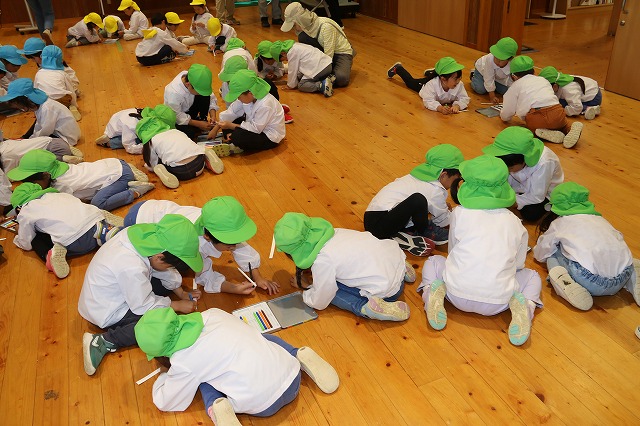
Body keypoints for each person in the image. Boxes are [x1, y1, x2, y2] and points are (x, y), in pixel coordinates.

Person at [134, 307, 339, 423]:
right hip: (292, 375)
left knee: (203, 379)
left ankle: (217, 407)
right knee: (256, 337)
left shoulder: (183, 363)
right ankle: (297, 353)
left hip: (263, 406)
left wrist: (165, 375)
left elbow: (165, 402)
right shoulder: (213, 313)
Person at [419, 155, 542, 346]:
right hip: (499, 303)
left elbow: (452, 252)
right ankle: (525, 307)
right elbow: (518, 265)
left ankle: (430, 295)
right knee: (533, 276)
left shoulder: (459, 213)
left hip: (455, 294)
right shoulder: (515, 222)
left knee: (433, 262)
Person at [79, 214, 203, 375]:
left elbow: (162, 270)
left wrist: (181, 292)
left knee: (163, 285)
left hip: (116, 290)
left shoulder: (145, 239)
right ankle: (104, 340)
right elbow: (143, 306)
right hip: (106, 310)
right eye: (169, 265)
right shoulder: (132, 267)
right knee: (156, 325)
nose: (170, 268)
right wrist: (177, 305)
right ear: (160, 257)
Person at [274, 212, 415, 321]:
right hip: (396, 261)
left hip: (389, 292)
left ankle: (365, 308)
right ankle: (404, 271)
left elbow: (320, 300)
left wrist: (308, 288)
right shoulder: (335, 232)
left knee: (332, 292)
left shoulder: (323, 260)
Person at [124, 196, 280, 294]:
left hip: (152, 206)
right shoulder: (193, 243)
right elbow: (204, 273)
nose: (234, 247)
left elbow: (242, 248)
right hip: (136, 223)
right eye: (229, 245)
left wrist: (258, 277)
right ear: (207, 236)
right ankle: (116, 232)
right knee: (164, 283)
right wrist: (232, 288)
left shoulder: (216, 222)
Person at [533, 182, 639, 311]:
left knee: (552, 252)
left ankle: (564, 282)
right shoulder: (600, 219)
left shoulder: (559, 223)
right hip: (622, 276)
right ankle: (632, 273)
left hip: (591, 282)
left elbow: (541, 253)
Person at [364, 144, 464, 256]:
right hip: (380, 226)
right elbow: (443, 221)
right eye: (455, 179)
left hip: (374, 219)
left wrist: (441, 208)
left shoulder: (417, 178)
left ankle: (404, 233)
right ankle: (424, 231)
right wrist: (450, 212)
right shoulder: (436, 190)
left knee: (418, 202)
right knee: (418, 199)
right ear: (444, 175)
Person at [10, 182, 123, 279]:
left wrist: (19, 234)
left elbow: (26, 244)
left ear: (19, 207)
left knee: (36, 237)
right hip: (93, 223)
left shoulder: (26, 211)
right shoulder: (59, 195)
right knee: (84, 212)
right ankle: (104, 229)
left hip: (73, 243)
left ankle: (55, 251)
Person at [6, 149, 154, 211]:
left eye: (32, 181)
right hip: (113, 163)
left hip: (119, 176)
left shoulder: (62, 185)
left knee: (98, 203)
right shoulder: (61, 168)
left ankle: (135, 191)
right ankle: (129, 169)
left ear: (45, 175)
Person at [500, 55, 584, 149]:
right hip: (556, 111)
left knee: (529, 131)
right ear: (533, 71)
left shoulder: (515, 86)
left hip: (536, 116)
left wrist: (503, 117)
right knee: (563, 124)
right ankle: (569, 129)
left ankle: (541, 133)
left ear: (513, 76)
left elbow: (507, 111)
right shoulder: (543, 80)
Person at [483, 126, 564, 222]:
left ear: (524, 160)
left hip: (544, 193)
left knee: (531, 213)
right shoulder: (514, 160)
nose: (508, 170)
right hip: (522, 187)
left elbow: (536, 196)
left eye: (511, 168)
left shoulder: (545, 163)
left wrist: (510, 201)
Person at [136, 104, 224, 188]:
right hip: (199, 163)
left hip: (180, 173)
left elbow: (152, 163)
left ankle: (162, 171)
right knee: (195, 150)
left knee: (158, 165)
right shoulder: (176, 131)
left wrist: (150, 167)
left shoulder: (151, 141)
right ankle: (206, 154)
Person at [208, 69, 285, 155]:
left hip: (268, 135)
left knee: (239, 136)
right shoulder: (248, 97)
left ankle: (234, 142)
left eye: (239, 96)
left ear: (250, 93)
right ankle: (231, 137)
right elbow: (231, 113)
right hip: (253, 126)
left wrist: (231, 126)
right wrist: (216, 128)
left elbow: (255, 129)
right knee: (231, 121)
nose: (238, 99)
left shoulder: (265, 105)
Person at [281, 2, 354, 87]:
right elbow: (304, 55)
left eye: (294, 25)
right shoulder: (304, 29)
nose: (294, 28)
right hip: (324, 52)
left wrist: (316, 72)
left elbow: (329, 56)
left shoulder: (326, 27)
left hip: (340, 53)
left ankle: (327, 78)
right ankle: (327, 78)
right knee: (303, 37)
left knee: (341, 78)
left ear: (300, 20)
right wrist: (287, 68)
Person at [0, 78, 81, 146]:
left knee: (37, 147)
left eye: (21, 107)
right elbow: (38, 125)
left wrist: (28, 142)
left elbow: (45, 131)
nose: (22, 110)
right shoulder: (41, 106)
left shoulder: (47, 108)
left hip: (66, 138)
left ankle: (66, 151)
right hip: (58, 133)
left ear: (24, 101)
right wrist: (26, 138)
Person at [387, 57, 470, 114]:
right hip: (424, 85)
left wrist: (457, 106)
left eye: (460, 78)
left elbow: (464, 98)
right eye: (455, 79)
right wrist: (440, 108)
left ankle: (433, 72)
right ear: (443, 78)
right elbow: (428, 101)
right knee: (410, 83)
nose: (458, 81)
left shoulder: (459, 84)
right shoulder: (431, 85)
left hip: (438, 78)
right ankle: (398, 68)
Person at [164, 64, 218, 140]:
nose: (200, 94)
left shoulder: (195, 78)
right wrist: (198, 124)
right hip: (177, 117)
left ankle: (203, 120)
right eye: (198, 92)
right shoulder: (173, 93)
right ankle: (200, 124)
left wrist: (213, 116)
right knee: (189, 134)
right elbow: (177, 116)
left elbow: (210, 96)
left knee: (205, 96)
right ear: (188, 84)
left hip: (190, 108)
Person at [270, 39, 335, 97]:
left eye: (283, 59)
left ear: (283, 53)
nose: (286, 60)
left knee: (302, 85)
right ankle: (327, 78)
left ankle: (322, 85)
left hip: (319, 69)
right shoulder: (296, 45)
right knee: (300, 77)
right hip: (328, 65)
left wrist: (290, 85)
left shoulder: (291, 53)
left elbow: (292, 70)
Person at [34, 45, 81, 121]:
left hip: (46, 103)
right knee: (67, 97)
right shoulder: (63, 73)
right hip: (62, 101)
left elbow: (36, 91)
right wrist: (74, 105)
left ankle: (49, 115)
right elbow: (71, 91)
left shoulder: (39, 73)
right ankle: (68, 110)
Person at [470, 36, 518, 104]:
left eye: (501, 60)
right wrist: (492, 96)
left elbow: (511, 81)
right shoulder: (489, 59)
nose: (497, 61)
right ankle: (473, 75)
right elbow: (488, 77)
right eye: (496, 57)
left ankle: (492, 86)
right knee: (480, 89)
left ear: (509, 59)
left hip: (497, 78)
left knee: (506, 91)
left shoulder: (513, 64)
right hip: (482, 71)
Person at [1, 136, 83, 173]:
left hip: (55, 152)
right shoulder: (5, 143)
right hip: (56, 141)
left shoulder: (5, 157)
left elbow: (10, 175)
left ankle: (63, 159)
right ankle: (68, 148)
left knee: (32, 167)